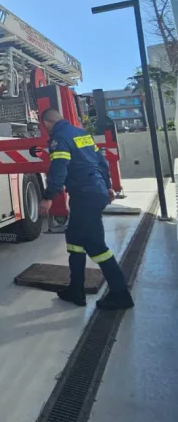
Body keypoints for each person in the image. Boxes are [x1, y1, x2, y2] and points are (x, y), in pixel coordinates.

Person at [39, 108, 134, 311]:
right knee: (74, 240)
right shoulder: (82, 134)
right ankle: (76, 289)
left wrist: (49, 196)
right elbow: (101, 161)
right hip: (94, 191)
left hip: (85, 195)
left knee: (96, 247)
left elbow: (59, 167)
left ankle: (120, 294)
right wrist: (107, 185)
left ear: (46, 124)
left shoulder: (59, 138)